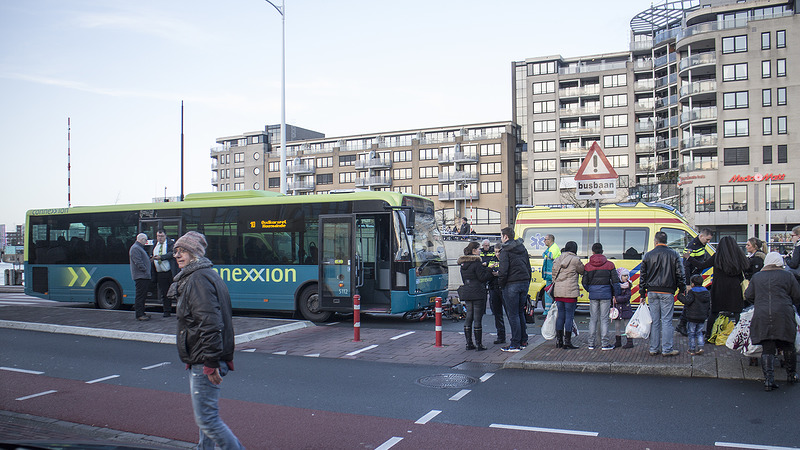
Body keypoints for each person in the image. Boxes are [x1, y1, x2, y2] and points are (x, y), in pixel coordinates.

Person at [167, 231, 244, 448]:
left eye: (183, 251)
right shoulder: (204, 274)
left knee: (207, 420)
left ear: (195, 253)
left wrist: (209, 362)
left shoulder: (198, 279)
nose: (177, 255)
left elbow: (210, 323)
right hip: (202, 357)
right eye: (176, 251)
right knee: (205, 424)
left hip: (205, 360)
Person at [744, 252, 800, 391]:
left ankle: (769, 380)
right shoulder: (788, 275)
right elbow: (797, 296)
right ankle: (791, 374)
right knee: (788, 344)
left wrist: (760, 301)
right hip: (784, 313)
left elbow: (748, 295)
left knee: (767, 347)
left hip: (762, 313)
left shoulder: (757, 277)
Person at [640, 231, 686, 357]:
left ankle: (653, 348)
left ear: (655, 241)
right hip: (667, 291)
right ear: (666, 241)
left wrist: (642, 293)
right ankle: (667, 349)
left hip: (652, 291)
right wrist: (682, 289)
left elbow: (642, 275)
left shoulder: (648, 255)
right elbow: (680, 274)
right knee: (667, 321)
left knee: (655, 321)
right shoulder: (674, 254)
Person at [699, 236, 750, 336]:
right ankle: (740, 336)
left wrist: (689, 258)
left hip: (719, 288)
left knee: (714, 313)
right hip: (734, 287)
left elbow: (702, 265)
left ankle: (708, 334)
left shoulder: (717, 256)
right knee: (737, 313)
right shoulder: (738, 256)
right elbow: (744, 271)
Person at [498, 227, 532, 352]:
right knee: (520, 312)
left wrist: (501, 284)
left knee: (513, 315)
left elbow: (503, 271)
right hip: (524, 281)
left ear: (505, 237)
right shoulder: (522, 248)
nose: (501, 238)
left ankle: (515, 343)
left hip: (511, 283)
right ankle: (523, 340)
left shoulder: (505, 250)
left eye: (501, 236)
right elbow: (528, 266)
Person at [582, 243, 621, 351]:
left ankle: (591, 343)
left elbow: (584, 282)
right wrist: (615, 294)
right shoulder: (610, 265)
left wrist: (591, 289)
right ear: (602, 251)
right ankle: (605, 344)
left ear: (593, 252)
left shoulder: (588, 266)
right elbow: (615, 281)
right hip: (606, 294)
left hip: (593, 294)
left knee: (593, 319)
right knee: (604, 320)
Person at [458, 241, 495, 351]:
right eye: (479, 249)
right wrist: (489, 269)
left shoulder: (463, 264)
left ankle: (468, 343)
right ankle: (479, 345)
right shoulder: (477, 263)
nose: (480, 251)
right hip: (478, 291)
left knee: (469, 316)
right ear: (474, 250)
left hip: (467, 291)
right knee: (477, 318)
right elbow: (482, 277)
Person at [677, 228, 712, 336]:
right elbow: (686, 266)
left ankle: (683, 325)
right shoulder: (691, 247)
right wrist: (687, 284)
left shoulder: (701, 245)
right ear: (701, 236)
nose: (708, 242)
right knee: (690, 303)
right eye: (707, 239)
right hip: (692, 279)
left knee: (692, 303)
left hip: (696, 277)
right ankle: (681, 325)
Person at [551, 240, 584, 350]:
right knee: (569, 316)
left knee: (560, 315)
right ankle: (567, 341)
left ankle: (559, 340)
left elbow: (553, 276)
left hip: (558, 292)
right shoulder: (575, 260)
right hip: (570, 292)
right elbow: (582, 271)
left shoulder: (557, 260)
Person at [481, 240, 506, 344]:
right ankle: (501, 336)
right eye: (496, 252)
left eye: (499, 252)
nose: (497, 254)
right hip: (493, 288)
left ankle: (515, 337)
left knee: (510, 313)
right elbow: (486, 276)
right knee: (497, 313)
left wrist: (499, 273)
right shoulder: (492, 260)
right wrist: (490, 272)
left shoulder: (506, 260)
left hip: (504, 288)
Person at [682, 274, 711, 356]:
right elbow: (708, 305)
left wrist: (681, 297)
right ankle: (701, 347)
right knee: (699, 332)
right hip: (702, 316)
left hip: (692, 316)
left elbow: (688, 301)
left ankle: (692, 349)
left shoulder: (692, 292)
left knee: (691, 333)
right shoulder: (706, 292)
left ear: (693, 284)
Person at [151, 229, 178, 317]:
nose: (160, 238)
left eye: (162, 236)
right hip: (160, 273)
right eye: (158, 236)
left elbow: (172, 254)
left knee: (176, 292)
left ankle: (180, 310)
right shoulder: (155, 244)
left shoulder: (171, 244)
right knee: (164, 293)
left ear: (165, 235)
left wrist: (161, 257)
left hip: (169, 272)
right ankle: (167, 311)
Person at [129, 233, 151, 321]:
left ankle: (142, 312)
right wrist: (145, 269)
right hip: (141, 276)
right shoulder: (135, 248)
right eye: (145, 240)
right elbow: (138, 262)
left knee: (142, 295)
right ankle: (139, 314)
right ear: (142, 239)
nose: (146, 242)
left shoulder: (138, 248)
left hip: (143, 275)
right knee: (140, 295)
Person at [614, 267, 634, 349]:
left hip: (625, 308)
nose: (626, 277)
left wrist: (617, 300)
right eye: (624, 275)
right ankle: (618, 341)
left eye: (627, 276)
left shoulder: (628, 286)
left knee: (627, 325)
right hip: (618, 309)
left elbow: (627, 297)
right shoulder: (616, 286)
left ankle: (629, 342)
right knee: (617, 326)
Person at [541, 234, 561, 317]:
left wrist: (546, 252)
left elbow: (551, 256)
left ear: (550, 240)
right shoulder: (550, 248)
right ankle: (547, 310)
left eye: (546, 239)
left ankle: (548, 310)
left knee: (550, 293)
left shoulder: (554, 248)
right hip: (549, 276)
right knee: (548, 293)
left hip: (552, 276)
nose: (544, 241)